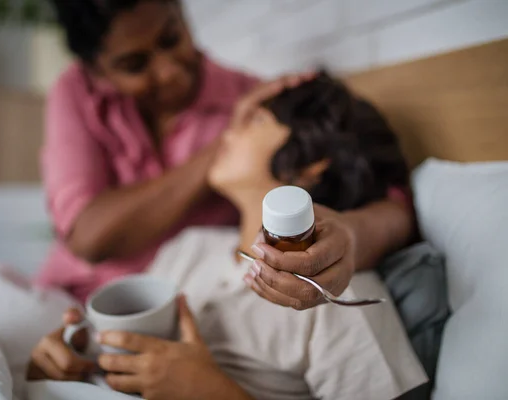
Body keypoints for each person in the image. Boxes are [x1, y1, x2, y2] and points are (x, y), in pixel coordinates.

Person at [28, 73, 427, 400]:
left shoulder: (339, 297)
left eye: (255, 120)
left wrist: (212, 394)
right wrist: (65, 361)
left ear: (308, 164)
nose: (226, 131)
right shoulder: (188, 248)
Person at [38, 0, 310, 302]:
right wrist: (227, 143)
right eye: (134, 64)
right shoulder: (76, 91)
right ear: (96, 70)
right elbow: (88, 238)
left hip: (176, 300)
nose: (168, 72)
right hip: (70, 296)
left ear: (181, 13)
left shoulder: (251, 99)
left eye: (171, 39)